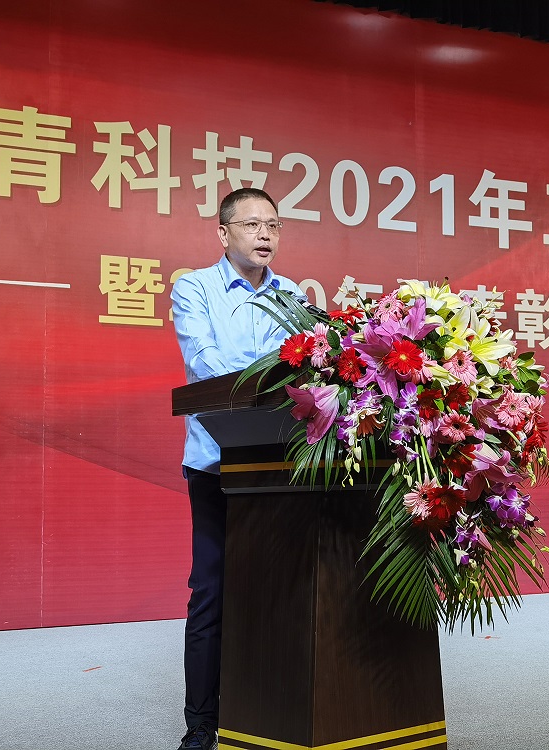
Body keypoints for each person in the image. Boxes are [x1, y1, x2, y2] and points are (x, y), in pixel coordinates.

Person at [170, 187, 302, 750]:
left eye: (273, 224)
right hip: (216, 463)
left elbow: (304, 367)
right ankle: (201, 723)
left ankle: (268, 710)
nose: (265, 234)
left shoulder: (294, 294)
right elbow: (206, 364)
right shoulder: (194, 288)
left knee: (279, 591)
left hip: (280, 463)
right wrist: (272, 372)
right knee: (213, 592)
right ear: (223, 233)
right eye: (252, 224)